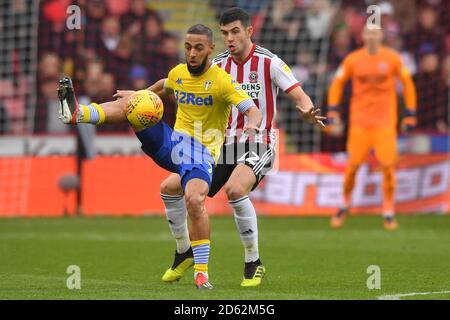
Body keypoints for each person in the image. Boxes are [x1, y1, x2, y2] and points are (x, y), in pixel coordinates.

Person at [57, 24, 263, 289]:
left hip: (201, 154)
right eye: (188, 47)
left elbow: (251, 109)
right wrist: (139, 94)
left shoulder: (223, 81)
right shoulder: (178, 73)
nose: (192, 53)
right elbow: (163, 86)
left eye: (199, 48)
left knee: (193, 198)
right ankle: (78, 114)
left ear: (211, 49)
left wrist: (252, 123)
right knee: (138, 104)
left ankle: (200, 271)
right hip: (173, 143)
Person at [159, 7, 326, 287]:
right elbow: (173, 84)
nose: (230, 38)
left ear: (249, 31)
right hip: (223, 144)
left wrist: (307, 111)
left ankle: (253, 261)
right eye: (225, 33)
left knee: (235, 189)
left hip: (260, 141)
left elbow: (299, 94)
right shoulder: (218, 66)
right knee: (170, 187)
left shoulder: (269, 62)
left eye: (235, 31)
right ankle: (183, 252)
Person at [325, 25, 417, 230]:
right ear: (363, 36)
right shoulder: (353, 59)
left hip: (385, 124)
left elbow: (408, 84)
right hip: (360, 123)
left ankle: (388, 211)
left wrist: (410, 114)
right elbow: (337, 83)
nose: (372, 36)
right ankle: (344, 205)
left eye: (376, 33)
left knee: (388, 167)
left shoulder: (392, 58)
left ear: (381, 36)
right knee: (352, 168)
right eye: (368, 33)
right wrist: (332, 110)